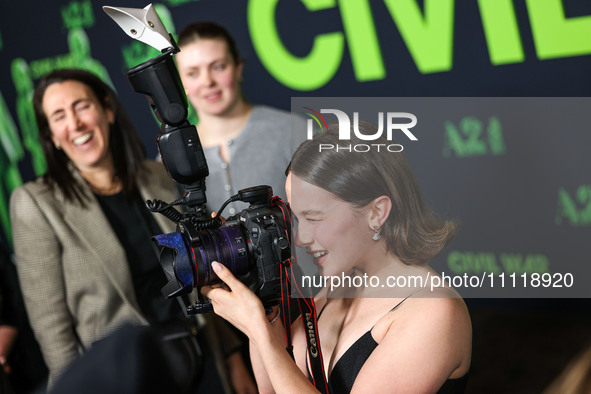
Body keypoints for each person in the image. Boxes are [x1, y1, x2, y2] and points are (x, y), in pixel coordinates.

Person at [9, 69, 254, 393]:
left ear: (107, 110)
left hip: (201, 358)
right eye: (59, 116)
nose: (75, 123)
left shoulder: (157, 176)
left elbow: (199, 278)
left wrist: (232, 355)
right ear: (52, 135)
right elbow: (51, 327)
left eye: (81, 106)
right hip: (125, 379)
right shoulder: (35, 203)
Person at [201, 123, 472, 393]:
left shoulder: (434, 313)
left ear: (377, 212)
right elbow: (271, 389)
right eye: (298, 218)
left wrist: (259, 331)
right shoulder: (341, 281)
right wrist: (262, 307)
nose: (300, 238)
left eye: (315, 218)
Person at [175, 21, 303, 217]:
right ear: (181, 82)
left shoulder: (292, 131)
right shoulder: (174, 156)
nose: (207, 81)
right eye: (192, 73)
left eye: (218, 67)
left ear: (238, 68)